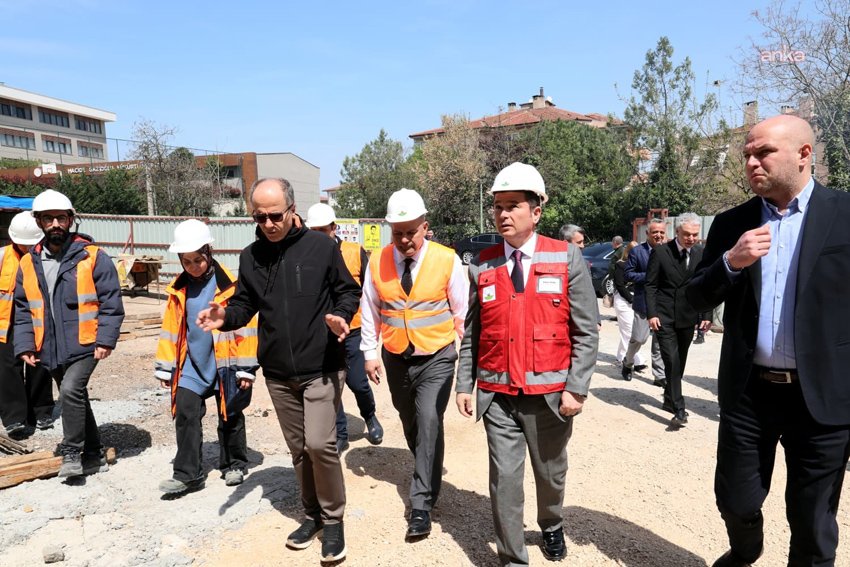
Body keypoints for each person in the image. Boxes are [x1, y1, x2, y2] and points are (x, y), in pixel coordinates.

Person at [687, 114, 850, 566]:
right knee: (735, 502)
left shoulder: (845, 214)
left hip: (823, 398)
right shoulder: (730, 223)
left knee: (814, 523)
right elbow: (692, 299)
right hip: (749, 394)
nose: (752, 163)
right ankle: (746, 549)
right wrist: (729, 264)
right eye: (747, 156)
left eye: (763, 153)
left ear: (804, 155)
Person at [197, 178, 360, 563]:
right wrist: (224, 317)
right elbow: (243, 305)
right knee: (299, 449)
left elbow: (347, 291)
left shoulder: (322, 247)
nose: (268, 223)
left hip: (321, 364)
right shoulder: (251, 256)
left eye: (275, 215)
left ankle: (334, 521)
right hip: (278, 372)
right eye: (260, 216)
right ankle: (312, 515)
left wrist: (341, 316)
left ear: (291, 210)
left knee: (321, 444)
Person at [457, 163, 598, 565]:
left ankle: (551, 523)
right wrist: (464, 384)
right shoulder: (482, 265)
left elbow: (586, 332)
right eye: (498, 206)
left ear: (536, 211)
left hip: (551, 396)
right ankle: (512, 558)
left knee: (550, 473)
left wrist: (577, 387)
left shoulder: (566, 257)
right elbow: (472, 333)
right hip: (498, 396)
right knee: (504, 481)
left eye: (513, 205)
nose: (502, 214)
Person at [360, 188, 468, 541]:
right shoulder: (377, 261)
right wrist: (369, 353)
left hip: (437, 356)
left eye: (411, 231)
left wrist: (467, 365)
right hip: (395, 357)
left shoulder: (448, 260)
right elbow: (370, 309)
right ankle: (427, 462)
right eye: (398, 233)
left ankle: (421, 505)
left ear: (425, 227)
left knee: (428, 419)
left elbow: (462, 315)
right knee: (413, 424)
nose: (405, 240)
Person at [14, 189, 124, 477]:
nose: (55, 224)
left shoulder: (93, 257)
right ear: (38, 222)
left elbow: (112, 301)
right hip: (50, 346)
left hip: (87, 342)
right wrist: (26, 343)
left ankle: (72, 451)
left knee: (70, 390)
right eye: (48, 218)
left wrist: (106, 339)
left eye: (61, 218)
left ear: (71, 219)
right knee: (77, 396)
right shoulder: (28, 263)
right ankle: (93, 452)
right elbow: (23, 308)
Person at [155, 220, 258, 496]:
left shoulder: (230, 284)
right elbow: (171, 329)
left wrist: (247, 367)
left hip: (226, 363)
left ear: (209, 252)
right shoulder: (179, 290)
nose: (193, 266)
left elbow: (247, 327)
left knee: (230, 413)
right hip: (193, 365)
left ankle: (234, 463)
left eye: (198, 260)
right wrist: (166, 367)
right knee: (186, 413)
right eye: (186, 261)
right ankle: (187, 474)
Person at [304, 203, 383, 453]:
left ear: (333, 228)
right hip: (323, 332)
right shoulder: (305, 257)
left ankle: (370, 417)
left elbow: (369, 293)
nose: (318, 235)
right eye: (313, 230)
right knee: (330, 386)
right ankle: (340, 434)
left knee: (358, 382)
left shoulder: (353, 251)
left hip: (354, 329)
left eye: (322, 230)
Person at [645, 213, 710, 428]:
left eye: (695, 235)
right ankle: (679, 408)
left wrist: (706, 314)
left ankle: (668, 397)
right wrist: (652, 314)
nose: (691, 239)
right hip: (664, 317)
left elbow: (704, 286)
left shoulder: (701, 253)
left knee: (679, 362)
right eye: (687, 234)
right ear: (677, 232)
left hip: (687, 316)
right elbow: (651, 285)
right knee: (671, 361)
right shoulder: (662, 252)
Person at [0, 212, 54, 439]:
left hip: (38, 319)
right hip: (6, 322)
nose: (26, 248)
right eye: (22, 244)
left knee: (40, 364)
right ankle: (14, 418)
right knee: (7, 368)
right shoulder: (2, 257)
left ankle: (41, 411)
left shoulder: (47, 256)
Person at [621, 219, 667, 384]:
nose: (659, 235)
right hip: (643, 303)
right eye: (655, 232)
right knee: (639, 338)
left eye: (661, 232)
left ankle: (659, 375)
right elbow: (628, 274)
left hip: (664, 303)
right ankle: (628, 362)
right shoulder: (637, 252)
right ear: (647, 233)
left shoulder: (670, 251)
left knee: (660, 340)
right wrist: (649, 277)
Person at [612, 241, 645, 378]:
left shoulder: (637, 266)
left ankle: (621, 355)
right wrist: (631, 299)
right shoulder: (621, 265)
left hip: (634, 299)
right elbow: (620, 285)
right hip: (623, 300)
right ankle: (636, 360)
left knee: (627, 330)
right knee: (629, 330)